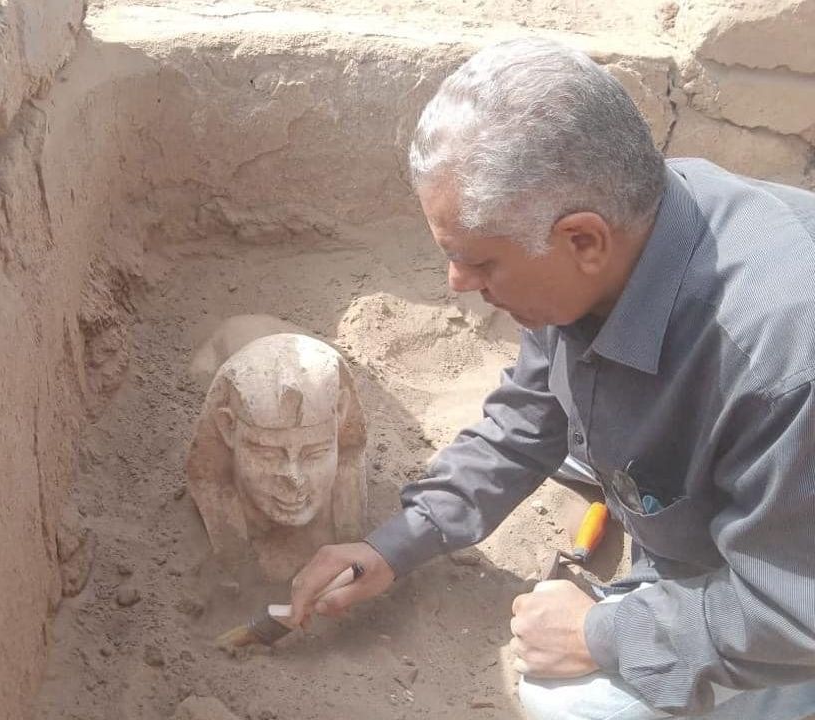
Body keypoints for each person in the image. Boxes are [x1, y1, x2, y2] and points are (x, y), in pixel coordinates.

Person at [288, 37, 815, 719]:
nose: (459, 286)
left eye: (479, 264)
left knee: (572, 698)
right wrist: (394, 544)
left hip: (791, 597)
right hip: (757, 536)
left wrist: (603, 633)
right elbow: (529, 415)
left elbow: (794, 604)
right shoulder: (625, 229)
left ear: (583, 240)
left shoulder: (780, 366)